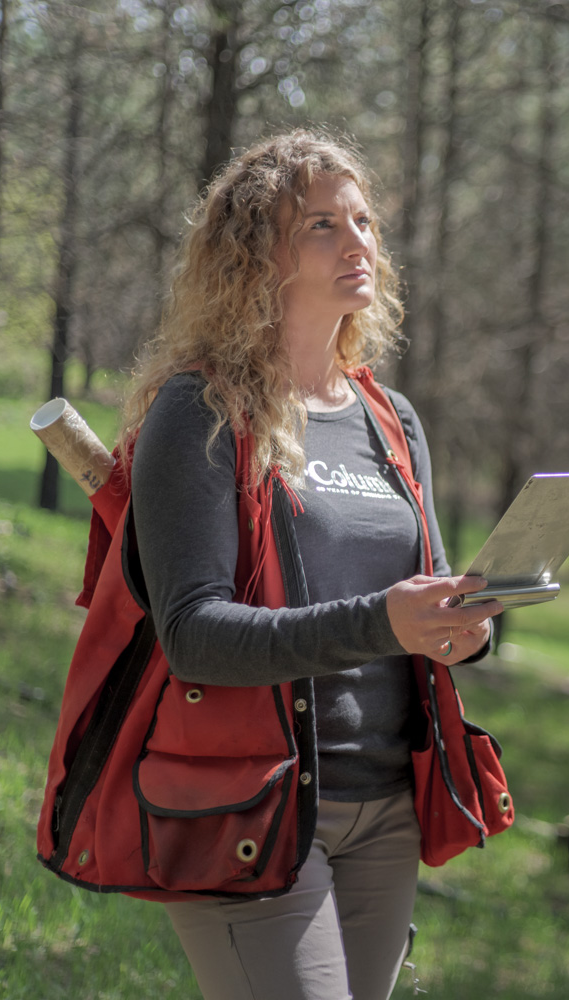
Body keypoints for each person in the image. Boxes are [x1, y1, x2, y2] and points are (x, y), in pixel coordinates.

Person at [117, 129, 503, 1000]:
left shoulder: (391, 419)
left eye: (364, 220)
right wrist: (383, 621)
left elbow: (424, 599)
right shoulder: (200, 410)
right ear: (257, 255)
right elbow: (194, 634)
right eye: (322, 224)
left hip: (386, 812)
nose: (359, 241)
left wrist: (465, 630)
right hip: (253, 805)